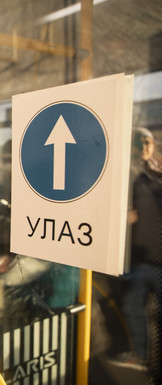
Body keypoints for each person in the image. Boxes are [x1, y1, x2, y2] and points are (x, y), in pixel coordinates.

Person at [119, 127, 162, 371]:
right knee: (134, 310)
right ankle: (142, 355)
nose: (145, 147)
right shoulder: (129, 175)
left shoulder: (157, 175)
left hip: (157, 261)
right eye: (140, 143)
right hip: (136, 259)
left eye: (149, 143)